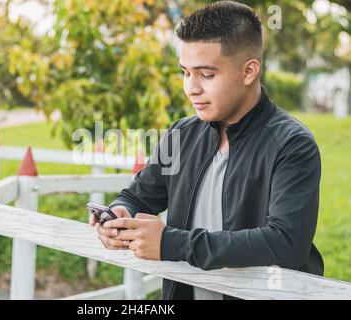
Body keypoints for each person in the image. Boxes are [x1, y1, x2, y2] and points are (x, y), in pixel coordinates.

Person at [90, 0, 323, 300]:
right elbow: (139, 195)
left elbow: (285, 243)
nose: (191, 88)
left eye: (207, 75)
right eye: (186, 72)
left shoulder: (292, 144)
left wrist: (171, 244)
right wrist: (122, 212)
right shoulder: (181, 133)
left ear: (249, 71)